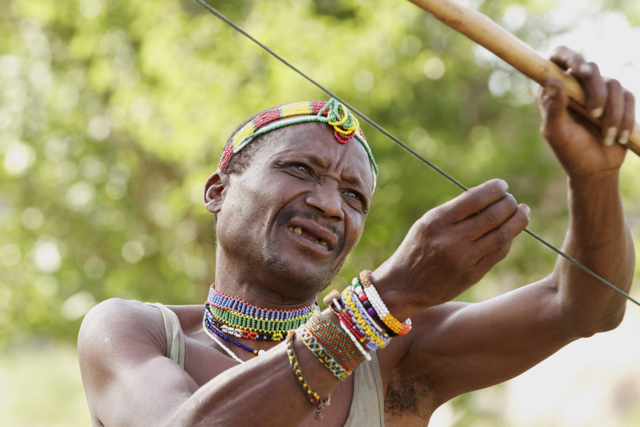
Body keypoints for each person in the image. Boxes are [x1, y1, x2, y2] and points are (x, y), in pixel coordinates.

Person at [78, 47, 636, 427]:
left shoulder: (398, 356)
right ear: (218, 190)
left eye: (353, 196)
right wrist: (382, 301)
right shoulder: (133, 330)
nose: (327, 203)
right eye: (299, 169)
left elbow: (583, 306)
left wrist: (594, 179)